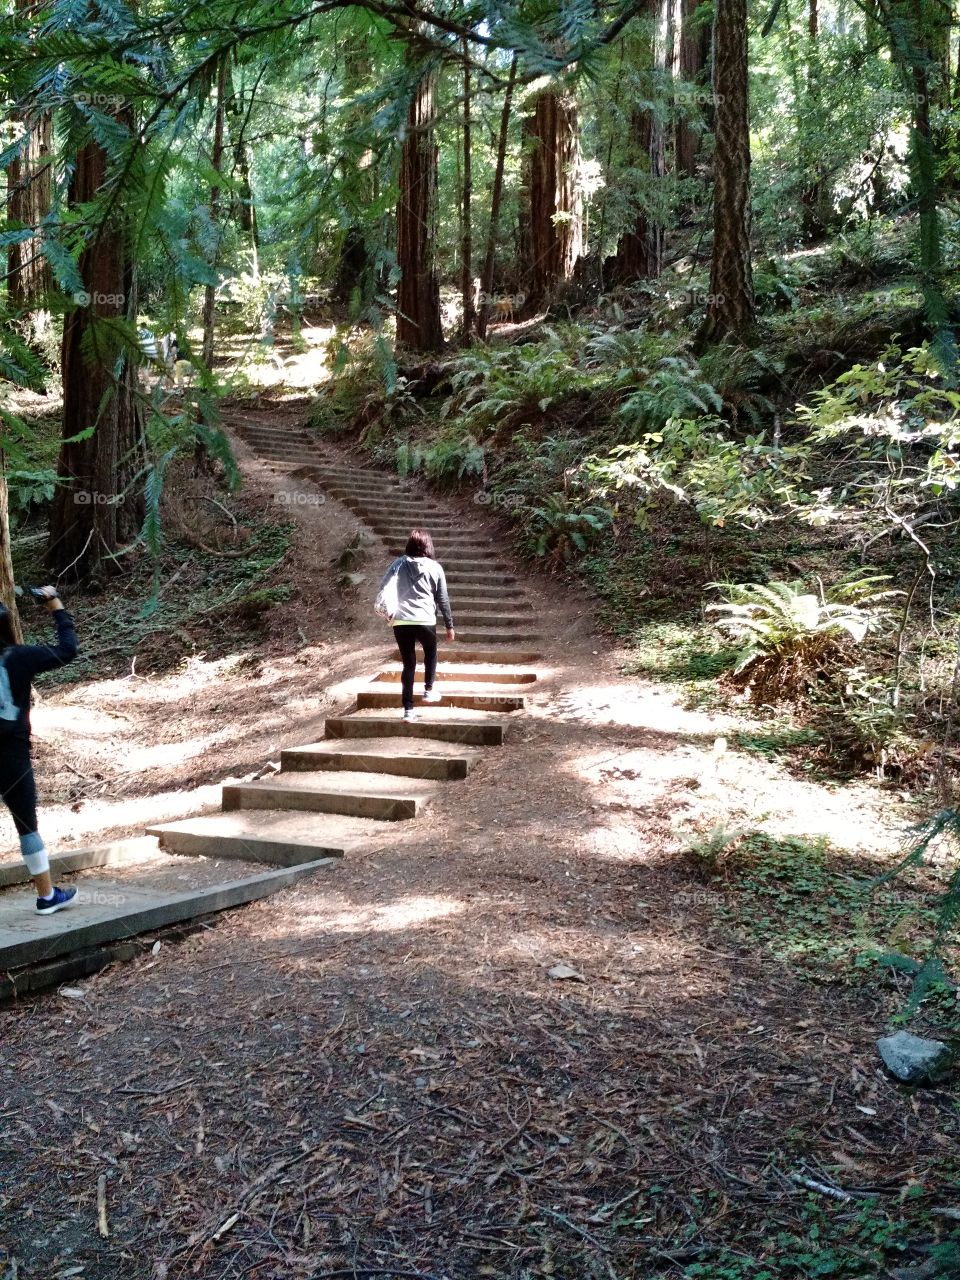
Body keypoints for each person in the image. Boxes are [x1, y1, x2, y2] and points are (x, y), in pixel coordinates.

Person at [0, 586, 79, 913]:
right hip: (12, 756)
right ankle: (46, 896)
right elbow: (67, 650)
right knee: (26, 824)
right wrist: (55, 605)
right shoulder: (20, 657)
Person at [379, 530, 455, 722]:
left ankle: (408, 711)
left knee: (408, 664)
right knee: (431, 651)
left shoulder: (398, 564)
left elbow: (384, 586)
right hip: (425, 620)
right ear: (428, 546)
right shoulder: (435, 567)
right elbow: (443, 599)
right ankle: (429, 690)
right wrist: (449, 625)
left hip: (402, 620)